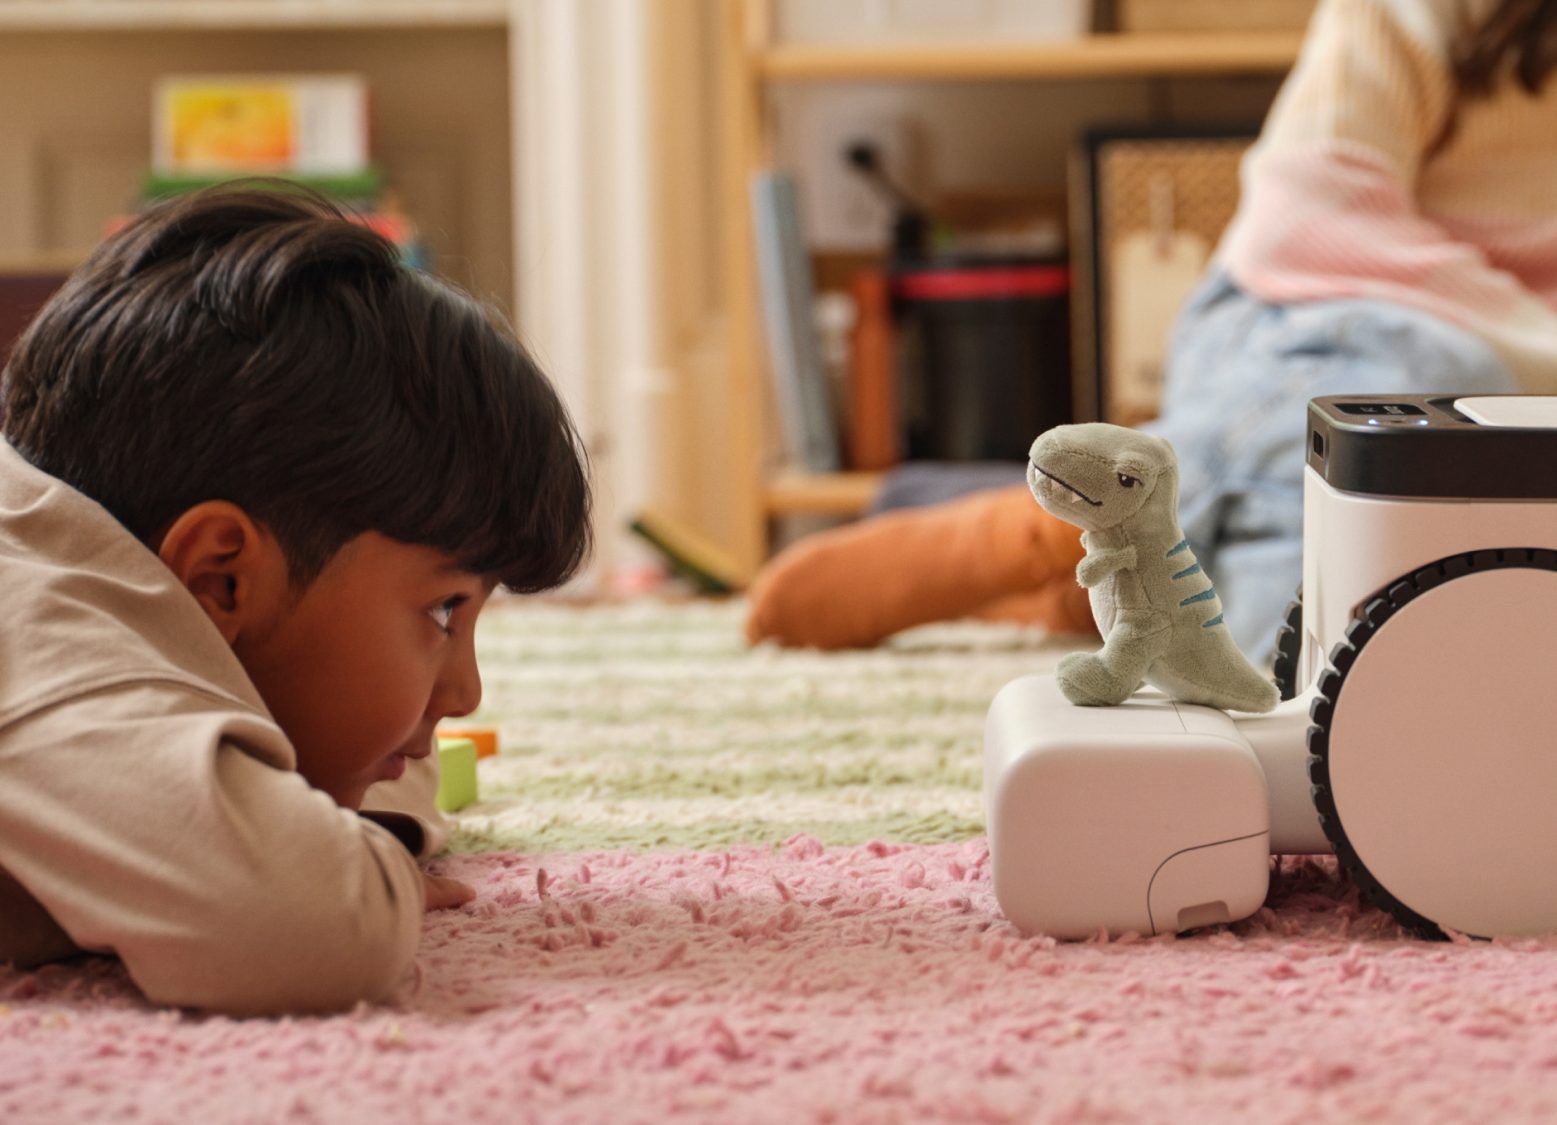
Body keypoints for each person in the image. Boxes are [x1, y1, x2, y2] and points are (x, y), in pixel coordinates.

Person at [746, 0, 1556, 663]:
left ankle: (1115, 556)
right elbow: (1314, 213)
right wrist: (1520, 349)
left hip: (1513, 412)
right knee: (1321, 643)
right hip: (1317, 315)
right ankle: (1086, 519)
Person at [0, 186, 591, 1013]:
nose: (465, 693)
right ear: (221, 578)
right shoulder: (48, 631)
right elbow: (303, 930)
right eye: (443, 613)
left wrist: (329, 814)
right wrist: (335, 862)